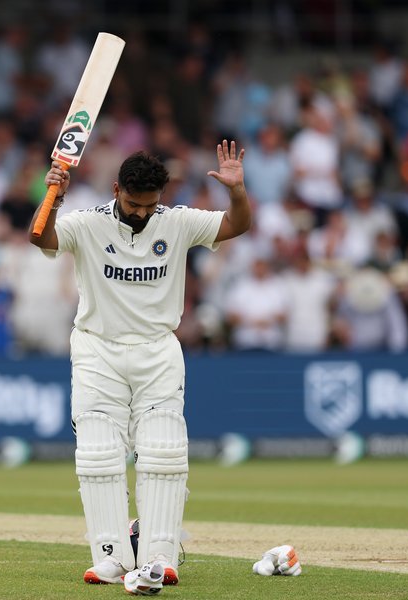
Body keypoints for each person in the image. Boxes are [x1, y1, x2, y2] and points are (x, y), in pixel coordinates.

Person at [29, 140, 251, 586]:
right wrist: (54, 196)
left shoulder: (177, 221)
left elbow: (237, 225)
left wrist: (237, 192)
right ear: (116, 190)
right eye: (133, 205)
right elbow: (42, 238)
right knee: (98, 453)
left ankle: (159, 555)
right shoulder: (88, 223)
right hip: (97, 349)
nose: (142, 214)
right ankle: (110, 556)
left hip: (157, 349)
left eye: (150, 205)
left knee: (164, 452)